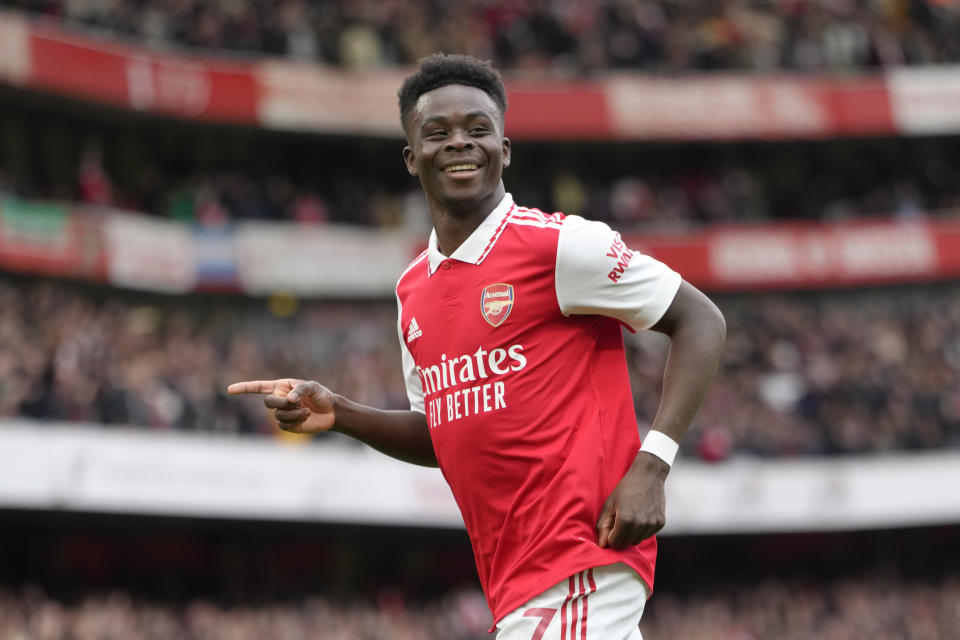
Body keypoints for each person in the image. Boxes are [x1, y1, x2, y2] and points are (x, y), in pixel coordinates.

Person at [229, 53, 725, 639]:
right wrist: (342, 414)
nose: (460, 143)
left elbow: (701, 319)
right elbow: (445, 434)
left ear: (504, 149)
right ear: (413, 157)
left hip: (581, 562)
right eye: (438, 133)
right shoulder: (412, 291)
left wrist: (653, 464)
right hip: (518, 584)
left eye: (477, 129)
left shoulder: (562, 247)